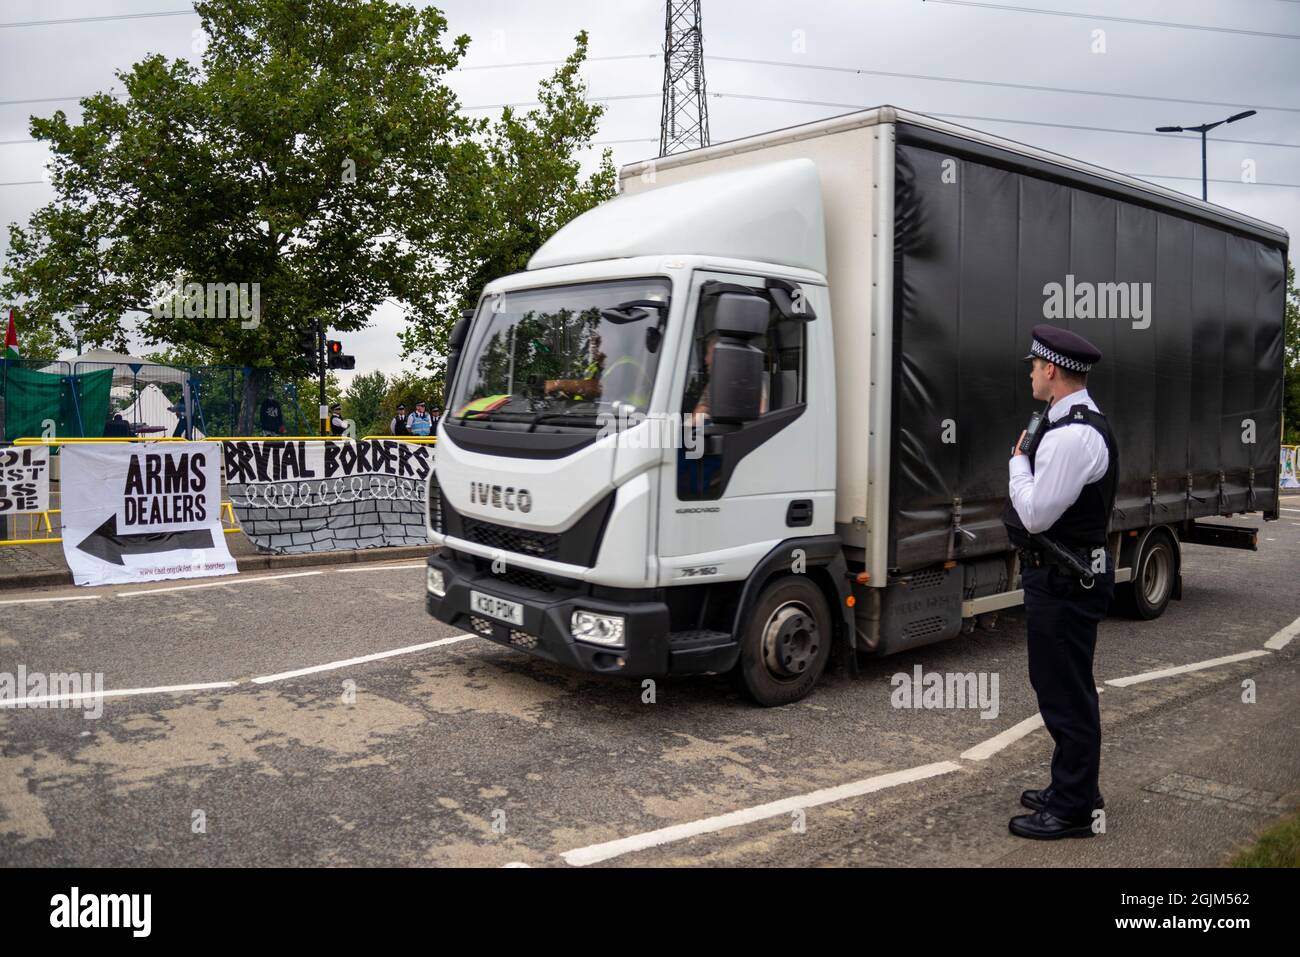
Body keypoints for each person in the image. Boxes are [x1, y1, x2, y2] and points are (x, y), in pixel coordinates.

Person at [1002, 323, 1118, 840]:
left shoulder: (1073, 435)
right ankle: (1072, 787)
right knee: (1060, 687)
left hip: (1067, 580)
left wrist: (1017, 465)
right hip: (1064, 577)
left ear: (1051, 369)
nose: (1030, 372)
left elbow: (1035, 516)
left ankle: (1074, 809)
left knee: (1066, 694)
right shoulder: (1068, 423)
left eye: (1033, 365)